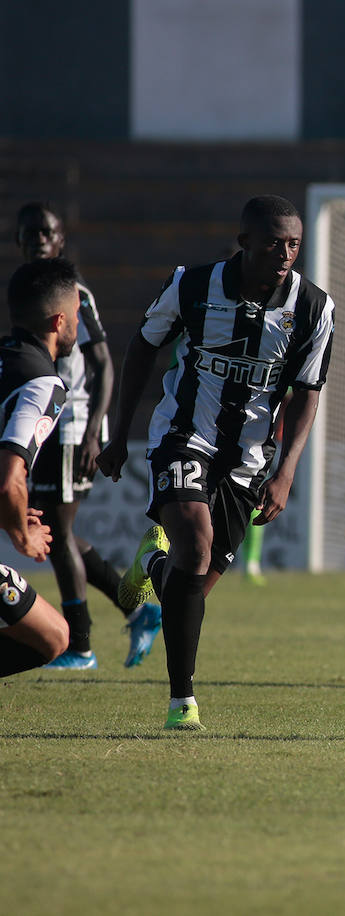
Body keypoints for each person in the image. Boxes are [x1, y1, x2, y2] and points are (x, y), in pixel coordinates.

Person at [97, 195, 335, 730]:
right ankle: (183, 703)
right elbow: (142, 347)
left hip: (248, 459)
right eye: (273, 241)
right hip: (185, 434)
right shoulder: (191, 285)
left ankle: (151, 564)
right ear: (244, 241)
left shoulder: (315, 308)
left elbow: (307, 393)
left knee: (191, 589)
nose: (285, 253)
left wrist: (287, 470)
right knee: (196, 543)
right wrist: (117, 434)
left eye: (294, 243)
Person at [15, 203, 163, 670]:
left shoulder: (75, 293)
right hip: (42, 421)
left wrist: (95, 432)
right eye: (30, 232)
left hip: (69, 423)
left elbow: (103, 364)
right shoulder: (25, 292)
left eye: (47, 231)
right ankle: (138, 610)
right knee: (60, 532)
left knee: (56, 530)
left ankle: (79, 645)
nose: (39, 238)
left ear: (60, 240)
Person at [0, 258, 80, 678]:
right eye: (78, 317)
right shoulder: (42, 385)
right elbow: (8, 478)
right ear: (59, 320)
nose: (78, 329)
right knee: (52, 638)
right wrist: (20, 533)